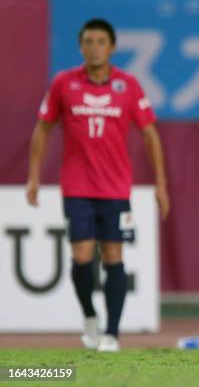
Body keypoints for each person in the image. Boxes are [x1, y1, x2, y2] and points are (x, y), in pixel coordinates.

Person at [26, 18, 170, 352]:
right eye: (88, 42)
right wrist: (33, 176)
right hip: (77, 186)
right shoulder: (64, 83)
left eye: (100, 42)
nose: (94, 47)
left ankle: (112, 334)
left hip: (116, 188)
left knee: (114, 258)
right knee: (81, 257)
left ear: (112, 47)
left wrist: (161, 184)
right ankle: (90, 315)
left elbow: (150, 133)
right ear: (81, 47)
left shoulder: (128, 85)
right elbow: (43, 127)